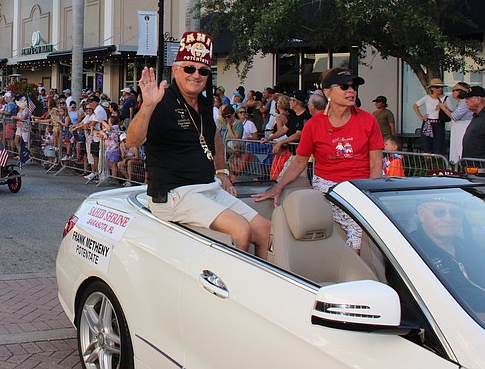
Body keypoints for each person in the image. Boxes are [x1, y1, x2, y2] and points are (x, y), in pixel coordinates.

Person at [126, 31, 270, 258]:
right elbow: (133, 141)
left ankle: (263, 282)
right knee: (241, 228)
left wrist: (222, 170)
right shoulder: (160, 101)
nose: (196, 75)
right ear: (175, 70)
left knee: (263, 228)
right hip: (174, 193)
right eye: (189, 69)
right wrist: (147, 106)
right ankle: (234, 288)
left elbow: (213, 138)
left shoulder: (203, 104)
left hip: (206, 187)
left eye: (203, 71)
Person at [254, 67, 383, 252]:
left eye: (354, 87)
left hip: (361, 188)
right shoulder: (314, 125)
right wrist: (278, 187)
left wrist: (369, 196)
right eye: (344, 86)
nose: (351, 90)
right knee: (358, 226)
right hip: (329, 186)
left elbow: (376, 163)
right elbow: (299, 162)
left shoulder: (369, 120)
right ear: (327, 92)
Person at [410, 196, 485, 310]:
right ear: (422, 215)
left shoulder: (468, 247)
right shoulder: (410, 249)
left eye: (455, 213)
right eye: (439, 212)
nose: (448, 219)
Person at [413, 78, 448, 154]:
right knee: (426, 145)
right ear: (432, 88)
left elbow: (451, 111)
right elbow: (415, 106)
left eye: (441, 87)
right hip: (428, 123)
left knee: (438, 145)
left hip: (439, 123)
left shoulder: (445, 99)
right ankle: (427, 162)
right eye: (437, 87)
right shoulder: (427, 98)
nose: (439, 89)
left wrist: (443, 107)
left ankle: (437, 162)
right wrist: (421, 117)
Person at [440, 82, 474, 164]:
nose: (453, 92)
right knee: (456, 148)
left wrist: (444, 108)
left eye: (454, 90)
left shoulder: (464, 103)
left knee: (460, 148)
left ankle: (460, 164)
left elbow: (455, 116)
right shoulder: (461, 102)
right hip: (458, 128)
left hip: (462, 128)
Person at [460, 86, 485, 161]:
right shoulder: (476, 116)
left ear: (478, 99)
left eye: (468, 98)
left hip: (481, 167)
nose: (465, 101)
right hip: (471, 165)